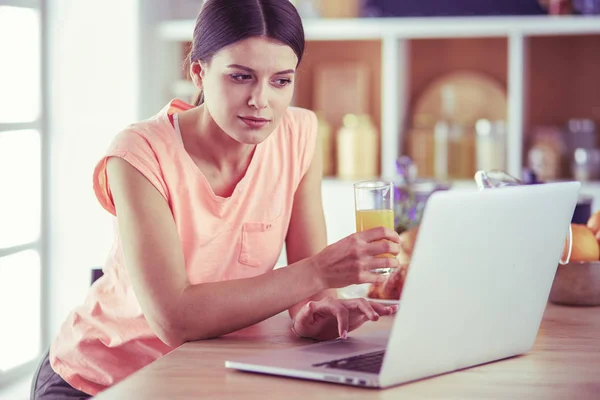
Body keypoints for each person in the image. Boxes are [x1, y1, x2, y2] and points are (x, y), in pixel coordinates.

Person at [31, 0, 402, 398]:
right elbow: (174, 319)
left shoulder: (300, 134)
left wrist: (321, 312)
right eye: (241, 77)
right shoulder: (138, 153)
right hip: (103, 379)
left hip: (212, 372)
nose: (262, 100)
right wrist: (319, 273)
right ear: (198, 72)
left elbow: (310, 292)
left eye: (281, 81)